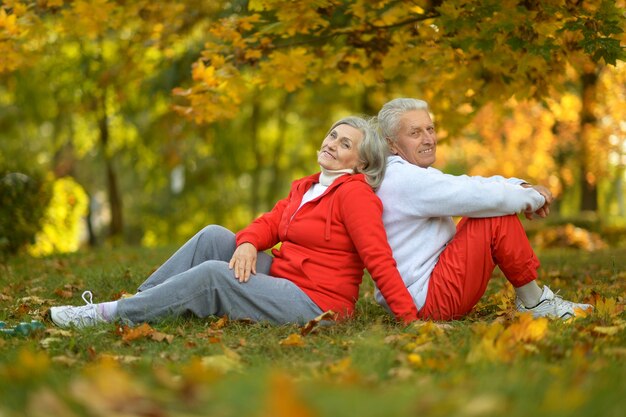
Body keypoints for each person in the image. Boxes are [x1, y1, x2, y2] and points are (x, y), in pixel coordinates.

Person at [50, 116, 419, 328]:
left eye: (344, 145)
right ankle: (144, 300)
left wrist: (410, 320)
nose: (331, 144)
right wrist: (246, 243)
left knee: (215, 274)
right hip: (283, 277)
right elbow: (269, 223)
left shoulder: (355, 195)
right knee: (214, 237)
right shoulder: (308, 186)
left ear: (360, 163)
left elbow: (378, 258)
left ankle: (105, 315)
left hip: (316, 303)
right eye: (332, 135)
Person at [374, 98, 593, 321]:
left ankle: (535, 301)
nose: (428, 139)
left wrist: (519, 186)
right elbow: (476, 195)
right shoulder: (404, 179)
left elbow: (467, 184)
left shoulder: (403, 174)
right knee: (492, 217)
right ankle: (534, 302)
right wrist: (532, 198)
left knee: (485, 211)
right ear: (391, 144)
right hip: (427, 303)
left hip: (420, 295)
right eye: (415, 133)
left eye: (430, 129)